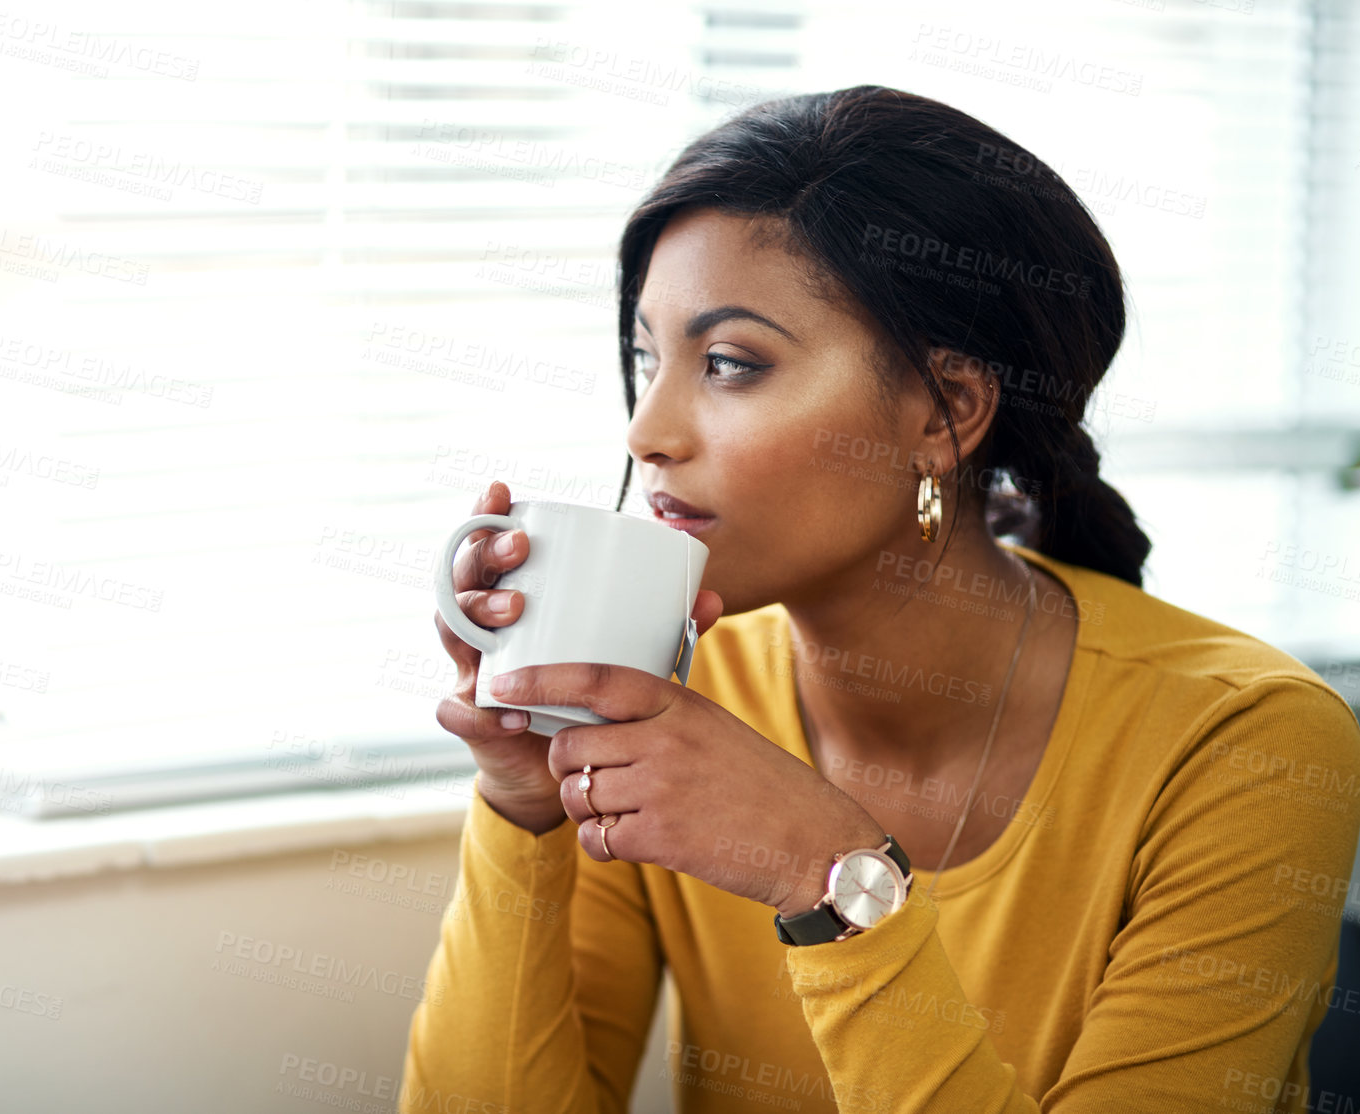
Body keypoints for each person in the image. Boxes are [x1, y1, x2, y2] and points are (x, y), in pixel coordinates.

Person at [400, 85, 1360, 1113]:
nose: (646, 429)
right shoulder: (659, 687)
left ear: (945, 410)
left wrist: (832, 881)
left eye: (728, 363)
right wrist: (522, 807)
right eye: (646, 356)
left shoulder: (1245, 740)